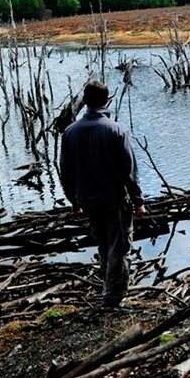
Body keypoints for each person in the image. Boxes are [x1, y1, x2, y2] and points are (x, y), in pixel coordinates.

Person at [60, 80, 145, 308]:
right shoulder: (116, 130)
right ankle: (113, 299)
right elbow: (129, 170)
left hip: (87, 200)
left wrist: (73, 200)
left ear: (85, 101)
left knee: (104, 244)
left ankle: (108, 290)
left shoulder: (70, 132)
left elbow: (65, 171)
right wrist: (138, 201)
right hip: (114, 199)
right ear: (106, 100)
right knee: (119, 246)